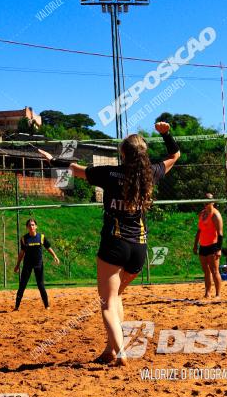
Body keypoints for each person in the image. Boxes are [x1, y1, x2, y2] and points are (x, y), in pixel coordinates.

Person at [38, 121, 180, 364]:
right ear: (143, 155)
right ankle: (110, 350)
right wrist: (166, 134)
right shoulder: (152, 174)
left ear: (122, 154)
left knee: (106, 303)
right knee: (116, 298)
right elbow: (175, 155)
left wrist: (52, 160)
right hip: (139, 248)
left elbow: (74, 168)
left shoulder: (110, 173)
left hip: (115, 245)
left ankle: (121, 352)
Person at [13, 218, 60, 311]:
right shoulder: (24, 239)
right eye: (29, 225)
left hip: (38, 264)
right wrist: (17, 265)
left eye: (33, 224)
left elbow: (48, 247)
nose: (31, 226)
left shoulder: (41, 237)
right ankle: (16, 307)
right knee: (22, 285)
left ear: (36, 226)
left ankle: (47, 306)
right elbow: (22, 253)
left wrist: (55, 256)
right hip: (27, 265)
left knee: (41, 285)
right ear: (27, 227)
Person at [193, 194, 223, 299]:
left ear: (213, 202)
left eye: (208, 200)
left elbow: (220, 234)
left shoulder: (215, 215)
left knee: (215, 271)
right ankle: (207, 293)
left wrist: (218, 249)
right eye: (204, 200)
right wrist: (195, 244)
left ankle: (218, 294)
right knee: (206, 271)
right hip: (203, 245)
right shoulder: (202, 214)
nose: (206, 202)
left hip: (213, 246)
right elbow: (199, 230)